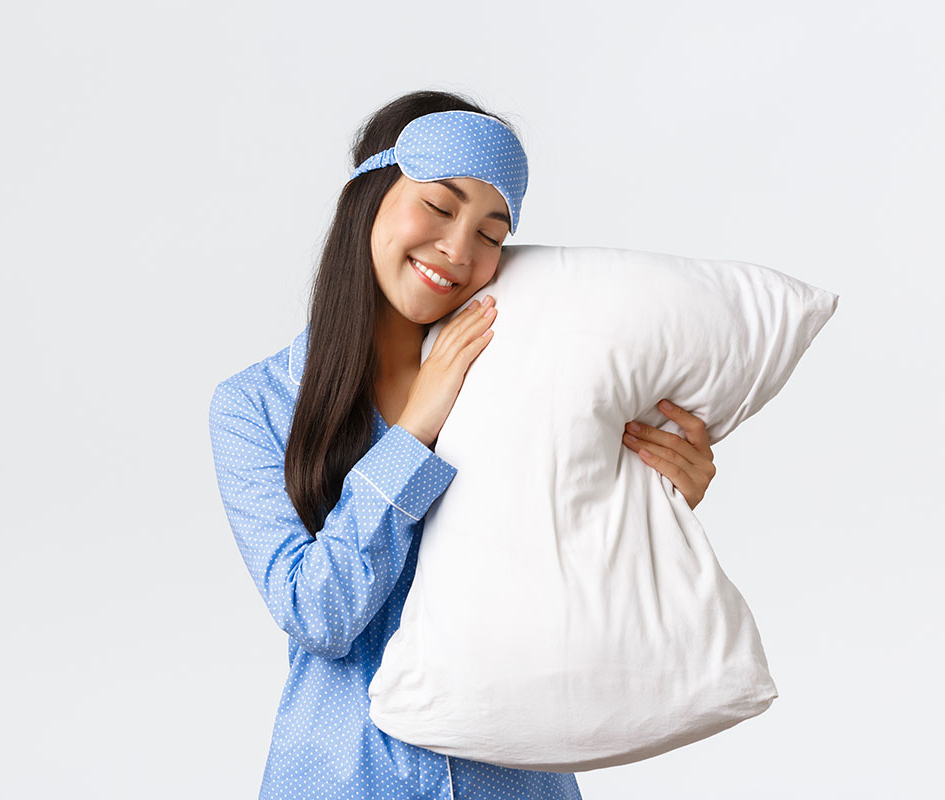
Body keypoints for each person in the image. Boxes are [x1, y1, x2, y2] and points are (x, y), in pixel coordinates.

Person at [208, 89, 718, 800]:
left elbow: (574, 585)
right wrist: (415, 430)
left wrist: (656, 502)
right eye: (441, 207)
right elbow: (319, 616)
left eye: (491, 233)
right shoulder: (256, 407)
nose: (458, 250)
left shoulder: (527, 383)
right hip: (339, 779)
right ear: (367, 199)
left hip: (512, 782)